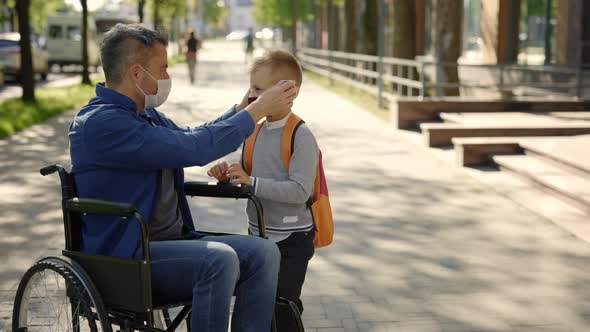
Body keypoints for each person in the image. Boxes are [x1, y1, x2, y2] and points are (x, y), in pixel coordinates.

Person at [69, 24, 298, 332]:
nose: (166, 77)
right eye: (162, 68)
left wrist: (245, 106)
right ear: (137, 74)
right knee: (219, 260)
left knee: (264, 252)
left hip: (169, 244)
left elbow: (193, 135)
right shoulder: (102, 124)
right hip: (126, 258)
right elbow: (195, 147)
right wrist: (256, 112)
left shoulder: (145, 115)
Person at [208, 50, 318, 331]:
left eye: (258, 89)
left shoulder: (301, 136)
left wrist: (251, 182)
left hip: (292, 239)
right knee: (257, 305)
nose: (251, 96)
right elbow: (248, 172)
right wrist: (228, 174)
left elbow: (300, 192)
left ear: (287, 91)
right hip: (258, 234)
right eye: (251, 87)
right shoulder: (254, 130)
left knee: (282, 308)